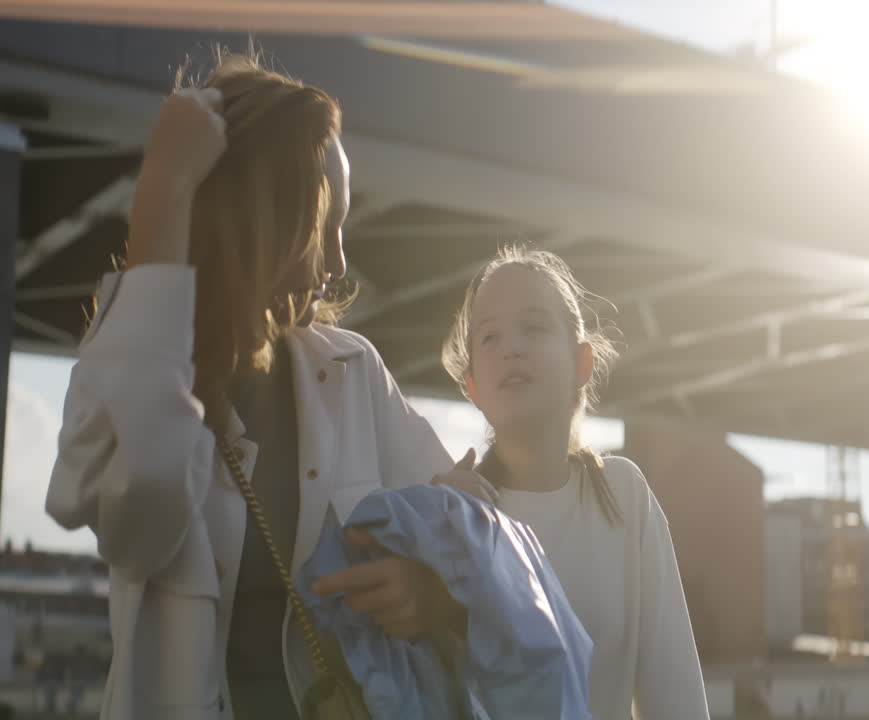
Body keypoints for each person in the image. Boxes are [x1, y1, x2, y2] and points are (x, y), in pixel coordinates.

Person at [45, 52, 467, 720]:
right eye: (320, 228)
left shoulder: (353, 372)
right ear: (257, 220)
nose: (340, 262)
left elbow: (476, 526)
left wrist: (436, 590)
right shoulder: (122, 363)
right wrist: (163, 197)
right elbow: (142, 516)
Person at [437, 246, 711, 720]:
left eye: (534, 328)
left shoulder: (624, 496)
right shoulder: (452, 513)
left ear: (582, 364)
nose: (510, 347)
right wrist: (432, 536)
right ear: (473, 387)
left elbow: (675, 691)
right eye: (490, 338)